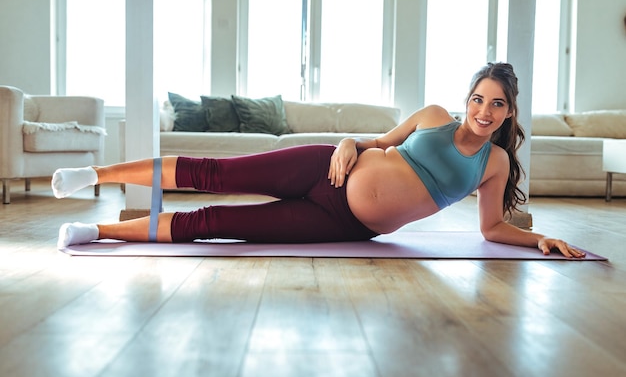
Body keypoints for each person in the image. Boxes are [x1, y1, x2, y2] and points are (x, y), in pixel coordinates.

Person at [53, 62, 585, 258]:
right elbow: (377, 142)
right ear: (466, 97)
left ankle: (95, 233)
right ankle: (93, 176)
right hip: (325, 166)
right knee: (212, 173)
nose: (483, 111)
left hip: (343, 221)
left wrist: (539, 240)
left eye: (497, 104)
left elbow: (491, 229)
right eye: (478, 98)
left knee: (217, 225)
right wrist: (351, 143)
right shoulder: (431, 115)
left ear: (510, 111)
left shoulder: (493, 164)